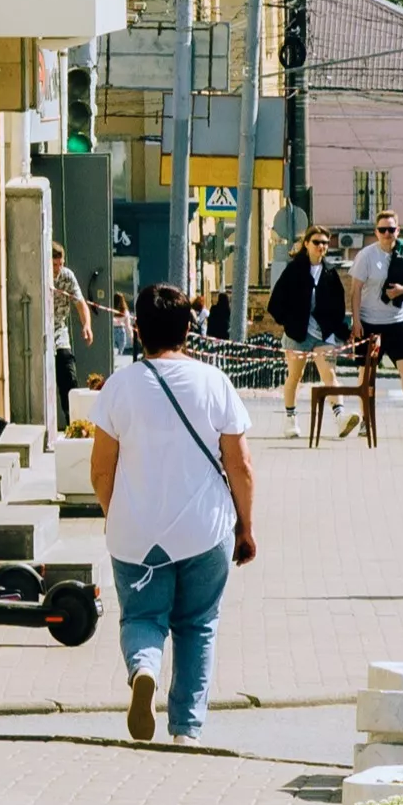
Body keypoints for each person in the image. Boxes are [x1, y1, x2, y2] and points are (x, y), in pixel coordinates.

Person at [88, 282, 256, 746]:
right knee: (198, 623)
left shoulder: (119, 387)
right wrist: (246, 526)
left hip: (135, 531)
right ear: (188, 328)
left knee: (142, 616)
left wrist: (115, 514)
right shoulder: (213, 382)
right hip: (205, 529)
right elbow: (240, 465)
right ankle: (186, 731)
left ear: (138, 329)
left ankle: (144, 668)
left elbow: (101, 469)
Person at [344, 211, 403, 439]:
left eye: (391, 229)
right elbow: (355, 290)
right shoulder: (366, 256)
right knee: (367, 374)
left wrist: (402, 290)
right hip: (370, 322)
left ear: (398, 231)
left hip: (398, 321)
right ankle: (366, 421)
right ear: (375, 232)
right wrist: (356, 321)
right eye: (382, 230)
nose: (387, 234)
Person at [266, 226, 351, 437]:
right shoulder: (294, 270)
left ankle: (341, 417)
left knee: (329, 374)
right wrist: (289, 322)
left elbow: (338, 306)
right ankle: (290, 420)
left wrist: (338, 329)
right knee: (295, 376)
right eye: (316, 242)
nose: (321, 246)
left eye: (324, 243)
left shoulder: (330, 273)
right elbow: (276, 302)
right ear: (306, 244)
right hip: (297, 334)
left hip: (323, 334)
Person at [50, 242, 91, 431]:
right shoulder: (41, 274)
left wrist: (87, 325)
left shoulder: (67, 276)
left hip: (59, 332)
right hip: (42, 331)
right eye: (54, 265)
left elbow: (80, 302)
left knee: (68, 372)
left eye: (60, 264)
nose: (57, 269)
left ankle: (72, 422)